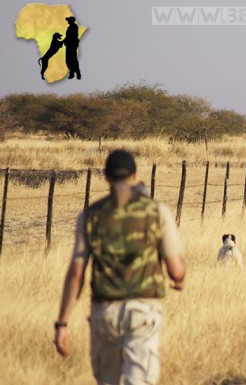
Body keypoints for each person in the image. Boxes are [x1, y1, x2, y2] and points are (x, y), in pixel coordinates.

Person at [54, 149, 185, 385]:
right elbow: (176, 270)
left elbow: (76, 275)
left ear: (106, 177)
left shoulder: (90, 215)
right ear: (135, 175)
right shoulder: (157, 211)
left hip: (105, 312)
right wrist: (179, 279)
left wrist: (62, 323)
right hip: (143, 311)